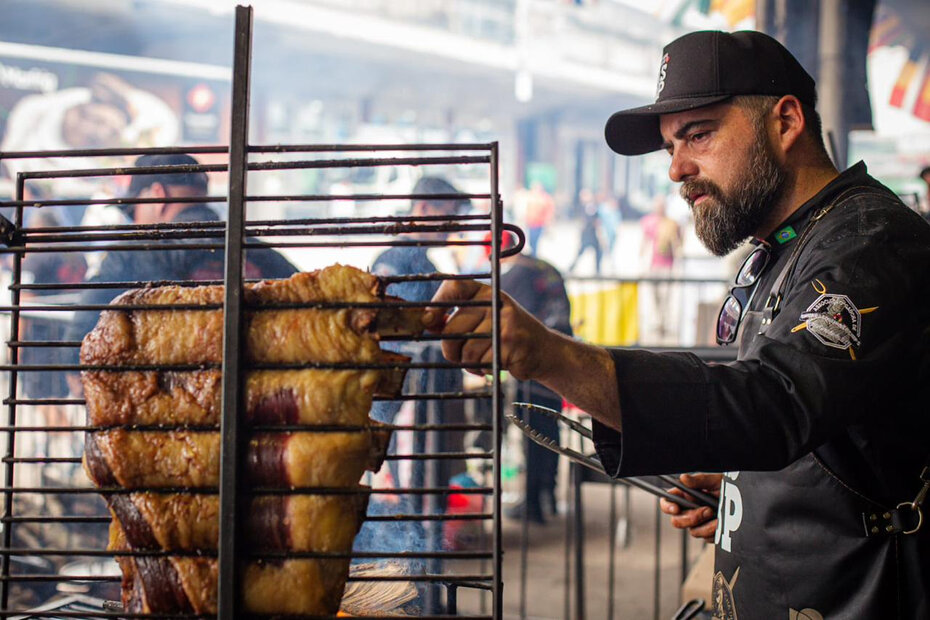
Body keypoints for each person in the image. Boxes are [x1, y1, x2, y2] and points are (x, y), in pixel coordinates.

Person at [425, 30, 930, 617]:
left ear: (786, 121)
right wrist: (754, 495)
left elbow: (774, 403)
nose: (677, 169)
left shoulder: (871, 242)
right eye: (670, 147)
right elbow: (831, 423)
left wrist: (549, 355)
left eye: (699, 134)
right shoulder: (790, 245)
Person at [66, 153, 297, 357]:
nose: (135, 222)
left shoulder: (131, 254)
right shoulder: (259, 252)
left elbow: (81, 334)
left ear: (158, 195)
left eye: (134, 211)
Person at [568, 188, 603, 275]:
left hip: (591, 233)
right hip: (587, 233)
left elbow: (595, 221)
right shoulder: (586, 207)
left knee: (597, 251)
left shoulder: (590, 206)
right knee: (582, 251)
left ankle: (597, 269)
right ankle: (572, 267)